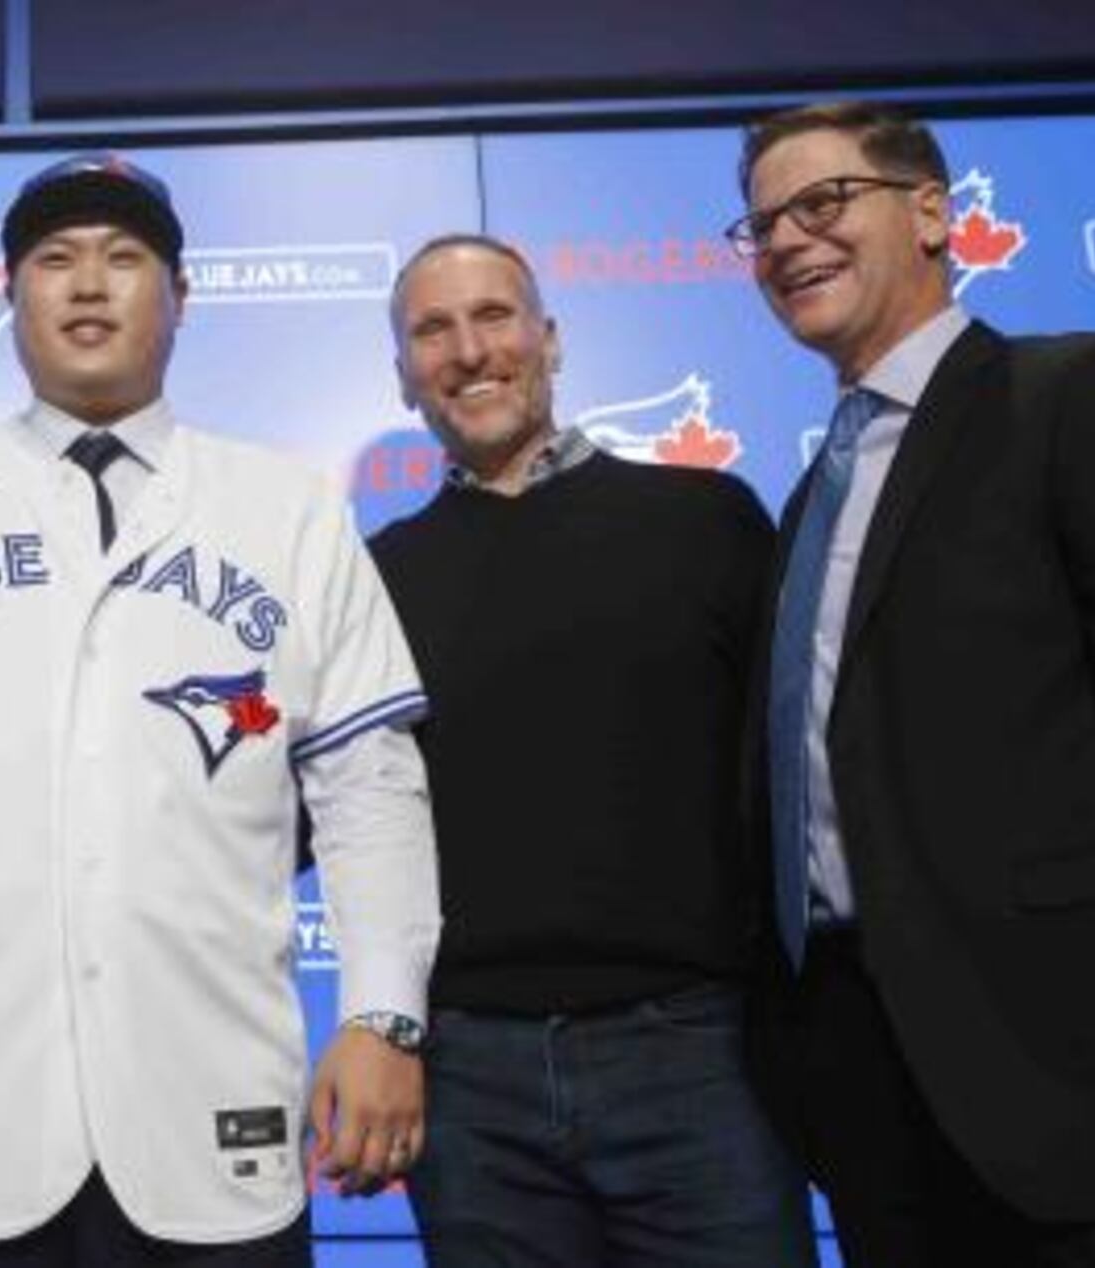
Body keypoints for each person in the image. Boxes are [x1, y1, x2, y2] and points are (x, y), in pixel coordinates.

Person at [0, 153, 441, 1266]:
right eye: (53, 259)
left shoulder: (287, 509)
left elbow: (370, 790)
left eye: (124, 258)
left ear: (180, 298)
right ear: (8, 293)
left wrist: (380, 1015)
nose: (86, 283)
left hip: (213, 1110)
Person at [733, 100, 1095, 1265]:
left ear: (933, 212)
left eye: (822, 202)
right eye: (758, 227)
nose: (787, 240)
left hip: (1081, 1099)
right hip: (868, 1094)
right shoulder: (815, 494)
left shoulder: (1084, 398)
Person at [369, 233, 811, 1266]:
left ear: (549, 338)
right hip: (469, 1079)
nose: (469, 350)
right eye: (433, 329)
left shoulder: (705, 519)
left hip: (699, 1057)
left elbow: (795, 774)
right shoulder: (373, 577)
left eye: (494, 315)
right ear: (403, 376)